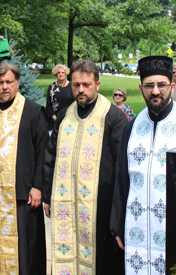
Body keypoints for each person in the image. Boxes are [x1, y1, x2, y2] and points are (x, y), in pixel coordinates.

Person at [110, 56, 176, 274]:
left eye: (161, 84)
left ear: (171, 86)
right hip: (136, 228)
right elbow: (122, 177)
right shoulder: (132, 127)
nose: (155, 91)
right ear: (141, 88)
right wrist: (117, 224)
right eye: (149, 85)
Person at [44, 59, 128, 275]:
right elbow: (50, 155)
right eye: (76, 84)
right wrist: (48, 194)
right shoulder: (65, 115)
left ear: (97, 85)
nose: (81, 89)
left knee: (100, 261)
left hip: (100, 205)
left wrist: (118, 210)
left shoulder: (113, 117)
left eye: (86, 84)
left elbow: (122, 165)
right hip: (67, 203)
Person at [0, 61, 48, 274]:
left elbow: (42, 152)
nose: (4, 87)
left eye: (9, 82)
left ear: (17, 83)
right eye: (0, 83)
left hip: (22, 194)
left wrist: (38, 187)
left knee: (25, 250)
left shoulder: (33, 111)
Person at [45, 64, 74, 131]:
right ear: (56, 74)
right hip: (54, 120)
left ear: (66, 74)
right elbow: (49, 104)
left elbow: (75, 103)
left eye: (63, 72)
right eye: (59, 72)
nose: (61, 74)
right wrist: (55, 118)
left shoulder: (71, 86)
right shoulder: (51, 87)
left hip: (69, 119)